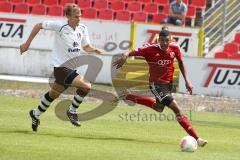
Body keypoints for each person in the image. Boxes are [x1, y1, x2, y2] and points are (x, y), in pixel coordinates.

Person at [113, 30, 208, 147]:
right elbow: (131, 52)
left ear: (170, 40)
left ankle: (127, 96)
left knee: (158, 108)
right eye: (161, 40)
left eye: (166, 40)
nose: (164, 43)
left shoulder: (175, 48)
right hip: (156, 85)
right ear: (158, 40)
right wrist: (125, 55)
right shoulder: (150, 50)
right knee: (176, 109)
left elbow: (181, 62)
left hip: (168, 84)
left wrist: (187, 81)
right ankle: (197, 138)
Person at [20, 3, 103, 132]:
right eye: (76, 16)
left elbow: (86, 46)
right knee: (86, 86)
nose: (79, 18)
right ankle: (72, 111)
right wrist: (26, 44)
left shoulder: (82, 28)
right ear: (68, 16)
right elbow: (38, 25)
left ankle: (35, 113)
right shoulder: (60, 26)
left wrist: (95, 49)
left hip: (71, 69)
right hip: (60, 69)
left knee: (53, 94)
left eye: (80, 16)